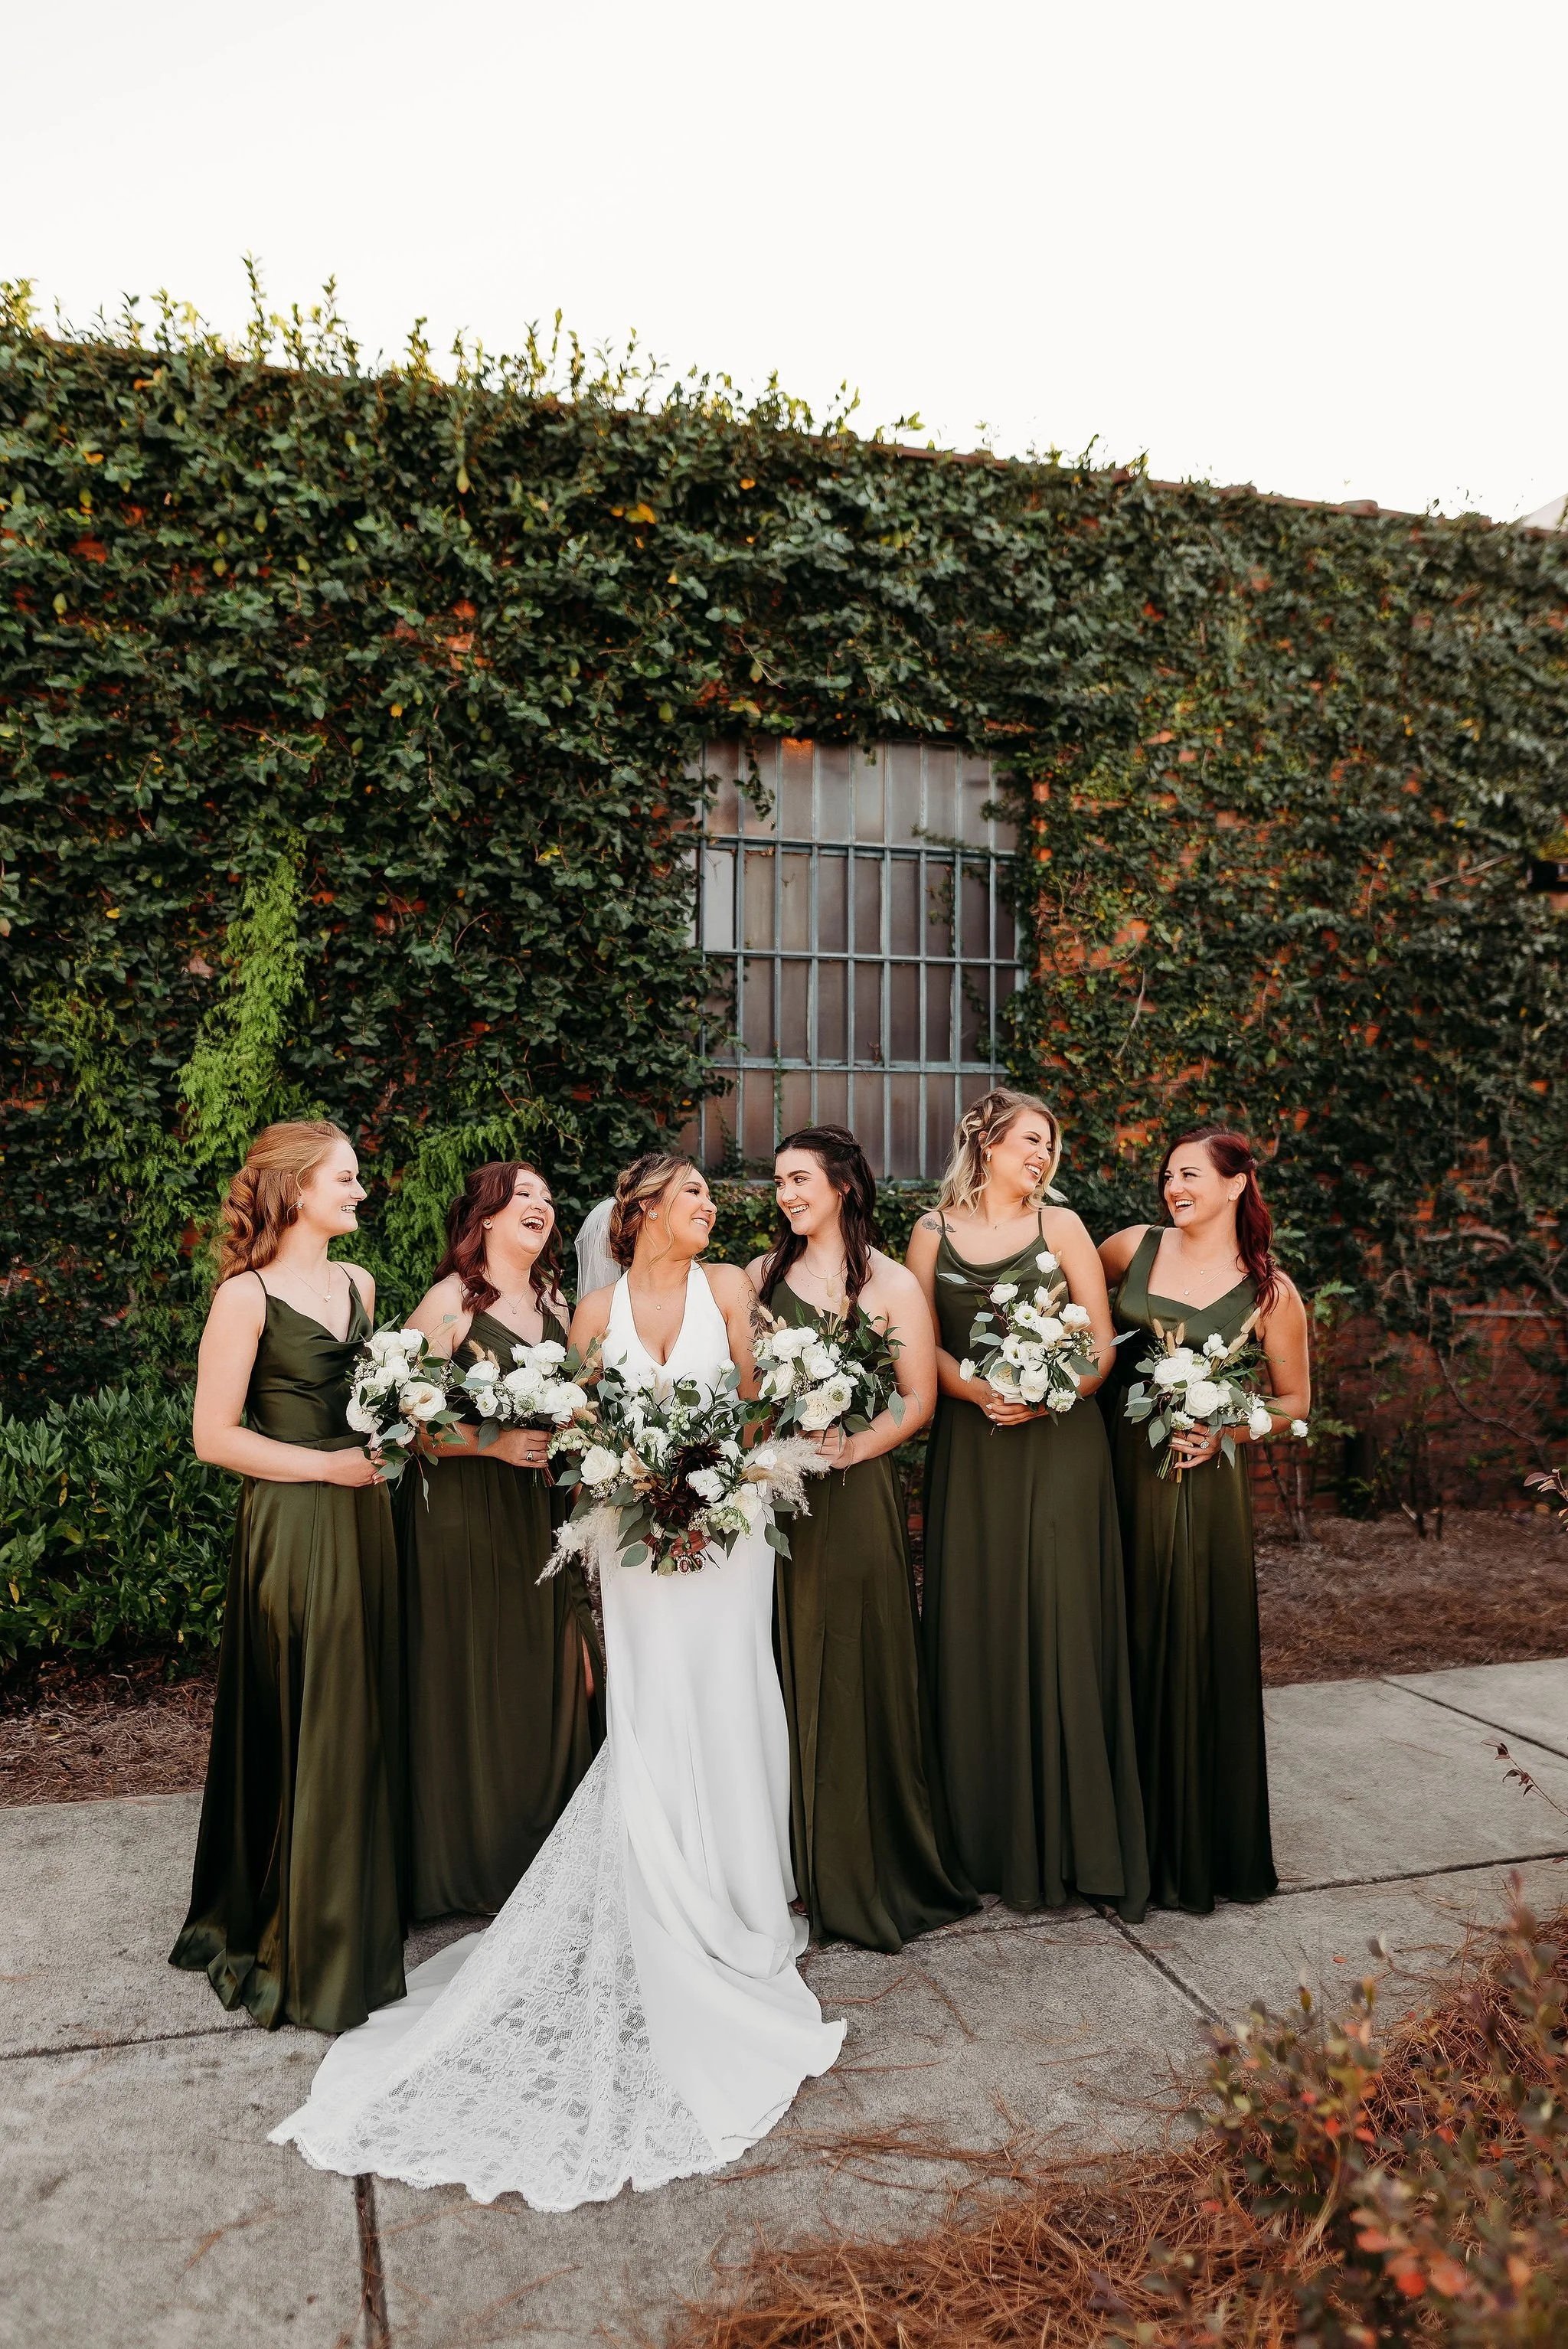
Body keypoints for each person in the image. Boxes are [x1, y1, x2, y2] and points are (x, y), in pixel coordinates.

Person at [270, 1153, 843, 2210]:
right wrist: (642, 1487)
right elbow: (582, 1438)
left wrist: (714, 1480)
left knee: (734, 1690)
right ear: (636, 1215)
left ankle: (750, 1897)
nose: (713, 1208)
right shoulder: (588, 1313)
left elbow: (769, 1409)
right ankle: (662, 1882)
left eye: (715, 1198)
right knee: (653, 1701)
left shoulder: (730, 1290)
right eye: (693, 1196)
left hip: (731, 1535)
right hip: (634, 1543)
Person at [169, 1121, 406, 2033]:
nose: (358, 1190)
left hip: (364, 1518)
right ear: (296, 1188)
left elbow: (369, 1402)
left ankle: (352, 1912)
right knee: (315, 1708)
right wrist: (331, 1467)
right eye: (345, 1178)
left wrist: (387, 1438)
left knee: (360, 1707)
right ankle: (303, 1939)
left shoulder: (361, 1284)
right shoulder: (246, 1294)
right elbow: (213, 1436)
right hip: (297, 1520)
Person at [906, 1089, 1148, 1923]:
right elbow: (914, 1342)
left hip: (1058, 1445)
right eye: (1030, 1141)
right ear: (985, 1140)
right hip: (973, 1449)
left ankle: (1075, 1839)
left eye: (1049, 1145)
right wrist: (977, 1391)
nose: (1041, 1156)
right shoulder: (930, 1233)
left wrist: (1048, 1394)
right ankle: (978, 1838)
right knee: (979, 1616)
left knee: (1057, 1614)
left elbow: (1096, 1345)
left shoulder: (1065, 1227)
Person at [746, 1125, 975, 1951]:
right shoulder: (757, 1279)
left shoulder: (887, 1283)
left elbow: (916, 1399)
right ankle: (791, 1860)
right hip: (774, 1497)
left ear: (842, 1183)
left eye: (800, 1177)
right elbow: (743, 1390)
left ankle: (861, 1857)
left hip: (855, 1489)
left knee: (852, 1658)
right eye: (777, 1181)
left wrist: (851, 1446)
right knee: (780, 1657)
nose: (787, 1193)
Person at [1099, 1127, 1310, 1913]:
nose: (1171, 1186)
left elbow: (1294, 1405)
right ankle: (1111, 1840)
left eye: (1188, 1173)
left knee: (1189, 1638)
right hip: (1116, 1469)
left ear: (1235, 1182)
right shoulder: (1127, 1248)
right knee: (1118, 1635)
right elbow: (1072, 1317)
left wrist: (1228, 1426)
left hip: (1200, 1483)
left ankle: (1194, 1849)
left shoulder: (1268, 1292)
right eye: (1165, 1175)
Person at [400, 1161, 596, 1921]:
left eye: (548, 1197)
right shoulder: (449, 1302)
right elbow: (401, 1418)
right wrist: (490, 1443)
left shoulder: (553, 1300)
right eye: (524, 1196)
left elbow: (577, 1403)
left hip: (539, 1514)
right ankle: (471, 1864)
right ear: (483, 1216)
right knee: (473, 1674)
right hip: (462, 1514)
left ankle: (543, 1855)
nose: (541, 1206)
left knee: (552, 1671)